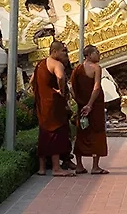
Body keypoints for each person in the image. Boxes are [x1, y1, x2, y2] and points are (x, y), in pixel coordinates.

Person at [33, 40, 74, 177]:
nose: (65, 53)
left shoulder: (40, 64)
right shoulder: (57, 64)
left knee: (44, 133)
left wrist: (39, 93)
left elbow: (32, 80)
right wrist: (61, 90)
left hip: (42, 102)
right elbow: (61, 76)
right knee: (56, 132)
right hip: (53, 103)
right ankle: (56, 168)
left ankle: (42, 168)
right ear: (55, 51)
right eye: (63, 51)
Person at [71, 45, 109, 175]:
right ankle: (95, 166)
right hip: (94, 105)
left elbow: (72, 89)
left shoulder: (77, 69)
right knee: (97, 132)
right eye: (96, 52)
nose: (99, 54)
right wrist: (90, 105)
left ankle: (79, 166)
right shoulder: (96, 68)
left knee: (81, 133)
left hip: (82, 106)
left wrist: (81, 103)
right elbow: (96, 87)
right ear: (89, 55)